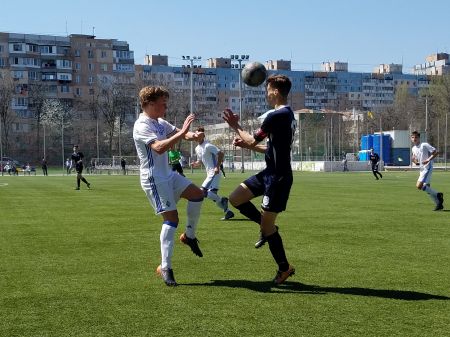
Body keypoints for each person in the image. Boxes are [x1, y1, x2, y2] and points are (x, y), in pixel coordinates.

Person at [222, 74, 295, 285]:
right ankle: (265, 227)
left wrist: (236, 126)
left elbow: (254, 138)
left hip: (278, 178)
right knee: (236, 198)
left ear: (274, 91)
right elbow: (270, 147)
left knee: (268, 227)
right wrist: (248, 146)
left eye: (268, 90)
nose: (266, 94)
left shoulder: (276, 115)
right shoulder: (287, 115)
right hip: (268, 173)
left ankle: (284, 268)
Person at [133, 85, 205, 287]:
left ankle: (189, 236)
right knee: (171, 219)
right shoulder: (142, 125)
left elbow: (180, 134)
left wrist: (194, 136)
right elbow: (158, 147)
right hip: (155, 179)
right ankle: (165, 266)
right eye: (162, 104)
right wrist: (183, 132)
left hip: (169, 175)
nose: (165, 108)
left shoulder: (159, 122)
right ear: (149, 104)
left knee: (197, 194)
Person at [191, 126, 234, 220]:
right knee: (212, 195)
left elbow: (221, 153)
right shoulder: (197, 148)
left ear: (202, 136)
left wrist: (217, 167)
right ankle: (228, 211)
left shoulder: (208, 145)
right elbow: (200, 160)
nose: (196, 136)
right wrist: (196, 164)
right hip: (209, 174)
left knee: (203, 192)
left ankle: (223, 200)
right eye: (196, 134)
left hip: (214, 173)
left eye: (199, 134)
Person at [411, 131, 444, 211]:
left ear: (419, 138)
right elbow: (415, 158)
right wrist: (415, 161)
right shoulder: (413, 148)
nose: (414, 139)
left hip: (427, 167)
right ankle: (438, 204)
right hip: (422, 169)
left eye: (416, 137)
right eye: (413, 137)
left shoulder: (424, 145)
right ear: (411, 138)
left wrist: (428, 160)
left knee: (419, 186)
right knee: (427, 188)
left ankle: (438, 194)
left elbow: (435, 152)